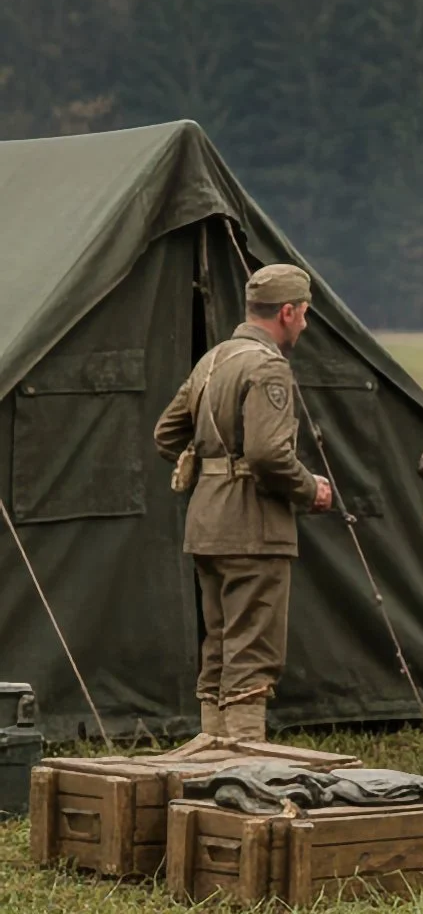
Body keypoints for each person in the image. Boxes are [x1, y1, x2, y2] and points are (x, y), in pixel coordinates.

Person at [151, 263, 335, 744]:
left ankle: (212, 746)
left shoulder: (212, 361)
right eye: (305, 314)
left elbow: (166, 434)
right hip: (252, 527)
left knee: (220, 642)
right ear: (289, 311)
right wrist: (308, 487)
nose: (306, 325)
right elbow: (269, 454)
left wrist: (210, 460)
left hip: (207, 523)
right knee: (253, 645)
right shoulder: (268, 365)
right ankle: (245, 754)